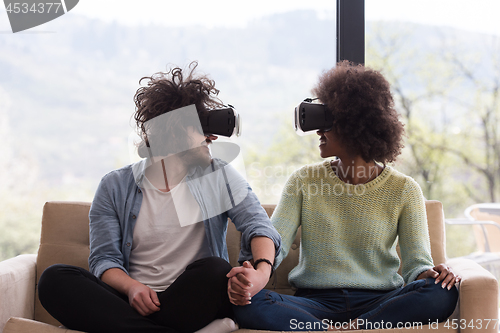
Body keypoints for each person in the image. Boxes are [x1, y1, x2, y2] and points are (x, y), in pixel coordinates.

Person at [38, 62, 281, 333]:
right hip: (131, 301)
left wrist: (260, 275)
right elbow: (104, 260)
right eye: (200, 128)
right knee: (54, 279)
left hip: (191, 300)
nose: (211, 137)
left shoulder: (217, 175)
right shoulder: (115, 185)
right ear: (173, 134)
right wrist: (132, 288)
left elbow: (259, 226)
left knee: (215, 270)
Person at [229, 61, 459, 331]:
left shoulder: (404, 189)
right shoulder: (304, 180)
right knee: (245, 302)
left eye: (326, 122)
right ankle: (333, 330)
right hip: (314, 303)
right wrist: (254, 274)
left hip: (380, 301)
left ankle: (355, 327)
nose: (318, 131)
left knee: (441, 292)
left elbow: (417, 265)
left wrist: (434, 276)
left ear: (354, 124)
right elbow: (275, 241)